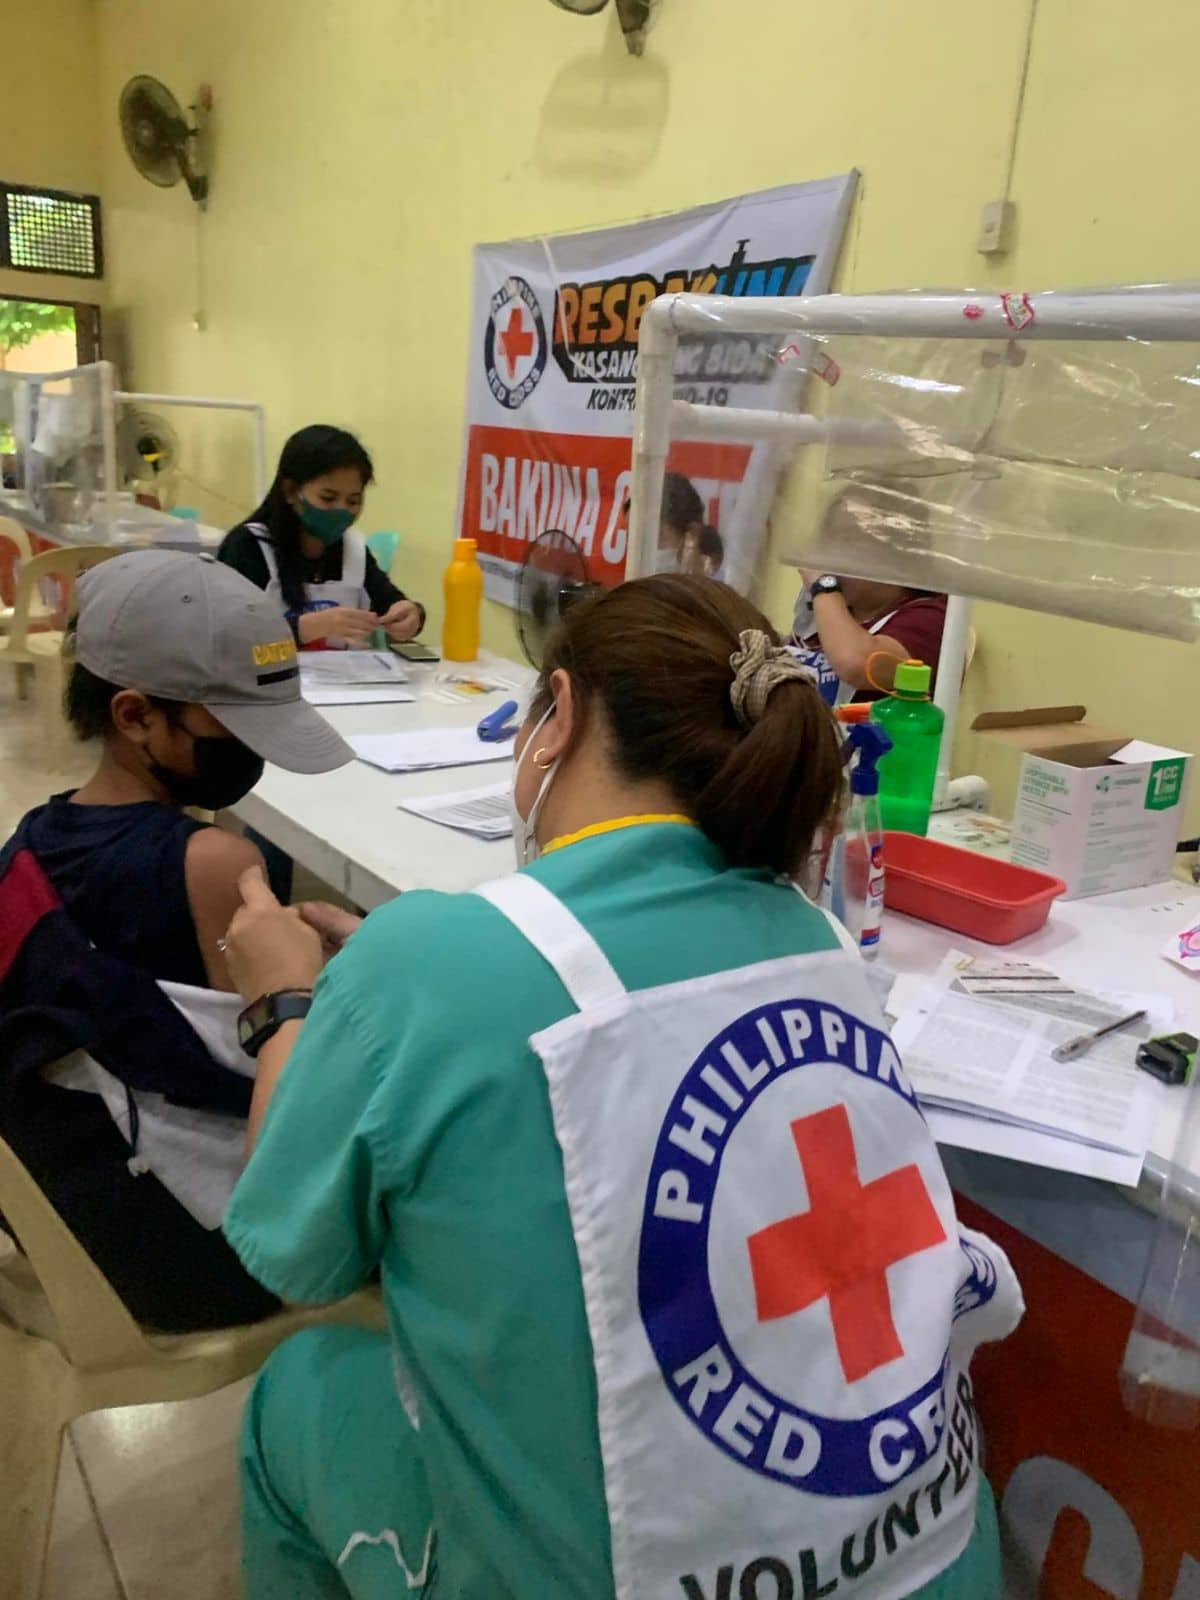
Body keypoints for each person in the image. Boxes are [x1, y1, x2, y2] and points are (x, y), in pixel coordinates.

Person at [220, 574, 1021, 1600]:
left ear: (558, 713)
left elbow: (300, 1265)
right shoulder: (818, 928)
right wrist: (415, 981)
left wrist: (285, 1005)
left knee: (296, 1388)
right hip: (939, 1559)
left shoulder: (428, 962)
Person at [0, 550, 354, 1331]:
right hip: (194, 1248)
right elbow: (295, 1097)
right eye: (235, 729)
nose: (255, 754)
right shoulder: (218, 864)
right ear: (133, 715)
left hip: (73, 1210)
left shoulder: (32, 837)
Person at [218, 424, 426, 651]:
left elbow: (389, 602)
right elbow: (226, 634)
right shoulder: (248, 546)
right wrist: (301, 628)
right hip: (268, 684)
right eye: (328, 498)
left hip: (342, 682)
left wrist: (411, 614)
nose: (341, 511)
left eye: (353, 501)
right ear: (290, 491)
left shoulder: (353, 551)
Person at [789, 481, 948, 707]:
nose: (832, 554)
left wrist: (823, 586)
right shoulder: (833, 604)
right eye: (830, 539)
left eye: (849, 540)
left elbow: (856, 663)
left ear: (898, 550)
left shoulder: (930, 620)